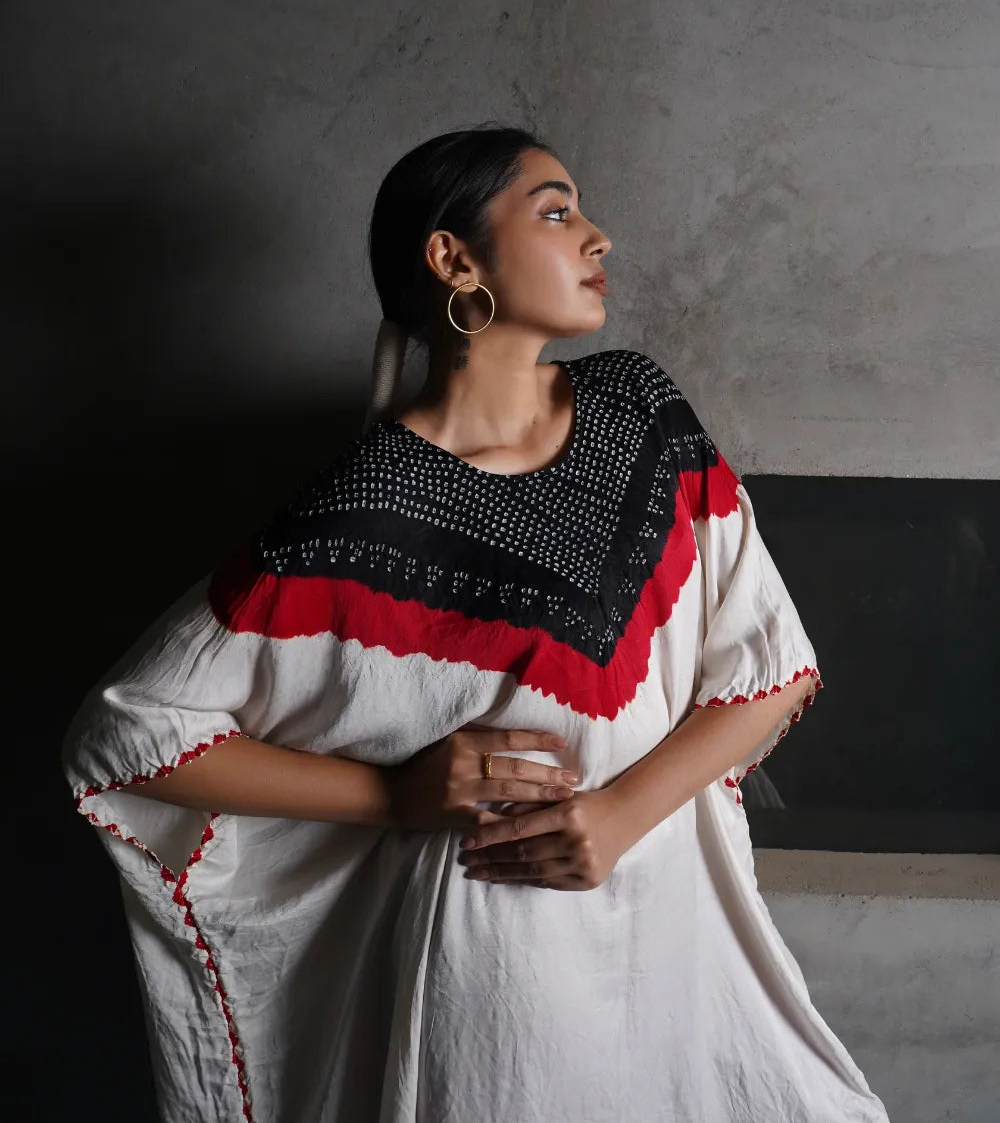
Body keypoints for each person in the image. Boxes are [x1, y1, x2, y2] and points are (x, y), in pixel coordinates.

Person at [62, 125, 891, 1123]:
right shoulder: (363, 508)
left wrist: (620, 816)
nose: (598, 237)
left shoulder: (642, 414)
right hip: (493, 975)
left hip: (677, 943)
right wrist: (392, 798)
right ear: (455, 259)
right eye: (556, 211)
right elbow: (128, 737)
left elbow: (774, 669)